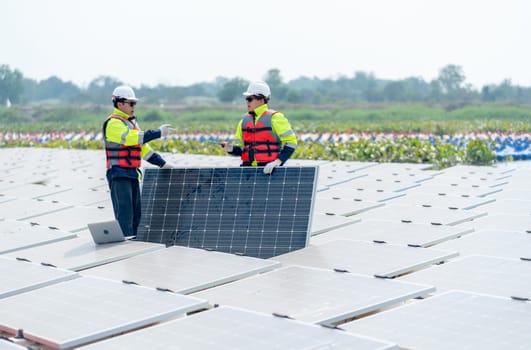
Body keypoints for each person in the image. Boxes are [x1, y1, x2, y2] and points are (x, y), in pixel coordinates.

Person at [103, 85, 176, 237]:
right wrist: (157, 132)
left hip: (132, 174)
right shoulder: (113, 123)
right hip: (119, 174)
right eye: (131, 103)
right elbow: (131, 139)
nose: (134, 107)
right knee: (125, 213)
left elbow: (143, 148)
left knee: (137, 214)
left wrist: (161, 163)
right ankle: (126, 245)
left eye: (134, 103)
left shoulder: (132, 123)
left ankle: (134, 241)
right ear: (119, 103)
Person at [220, 81, 297, 174]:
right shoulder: (243, 122)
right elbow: (240, 149)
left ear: (261, 100)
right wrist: (230, 149)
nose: (247, 102)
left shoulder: (276, 118)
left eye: (250, 99)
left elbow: (291, 143)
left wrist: (277, 162)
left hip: (270, 170)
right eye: (246, 99)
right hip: (247, 171)